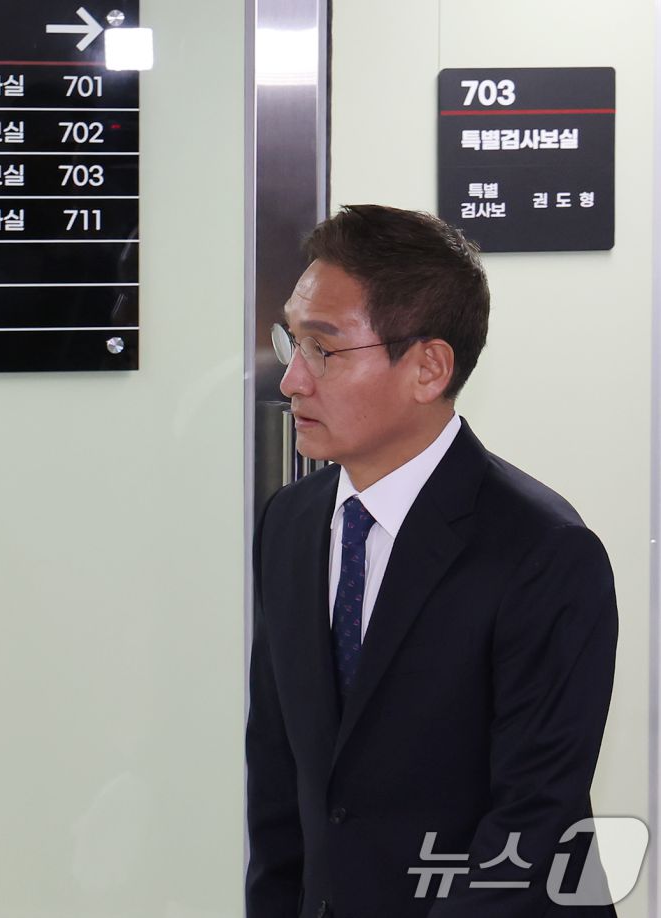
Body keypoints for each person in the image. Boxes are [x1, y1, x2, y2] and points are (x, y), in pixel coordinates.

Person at [245, 205, 618, 918]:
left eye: (323, 349)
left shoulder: (544, 552)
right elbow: (278, 782)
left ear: (428, 367)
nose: (291, 380)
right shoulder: (289, 524)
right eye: (290, 342)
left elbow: (533, 822)